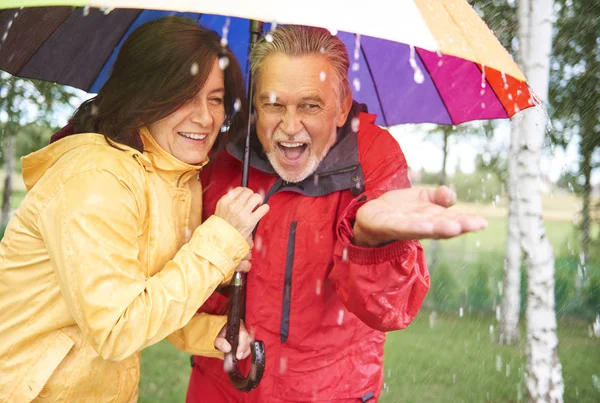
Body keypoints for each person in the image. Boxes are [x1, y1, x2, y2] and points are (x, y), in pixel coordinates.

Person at [182, 25, 487, 402]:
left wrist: (373, 244)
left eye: (310, 105)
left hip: (329, 391)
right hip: (221, 389)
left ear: (342, 107)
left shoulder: (374, 157)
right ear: (255, 104)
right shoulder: (222, 155)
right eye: (274, 104)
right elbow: (180, 283)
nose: (290, 127)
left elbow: (390, 310)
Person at [0, 17, 268, 403]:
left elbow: (152, 303)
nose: (206, 117)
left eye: (215, 98)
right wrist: (219, 242)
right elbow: (117, 329)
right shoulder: (96, 177)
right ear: (144, 97)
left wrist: (208, 333)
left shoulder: (176, 180)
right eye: (184, 95)